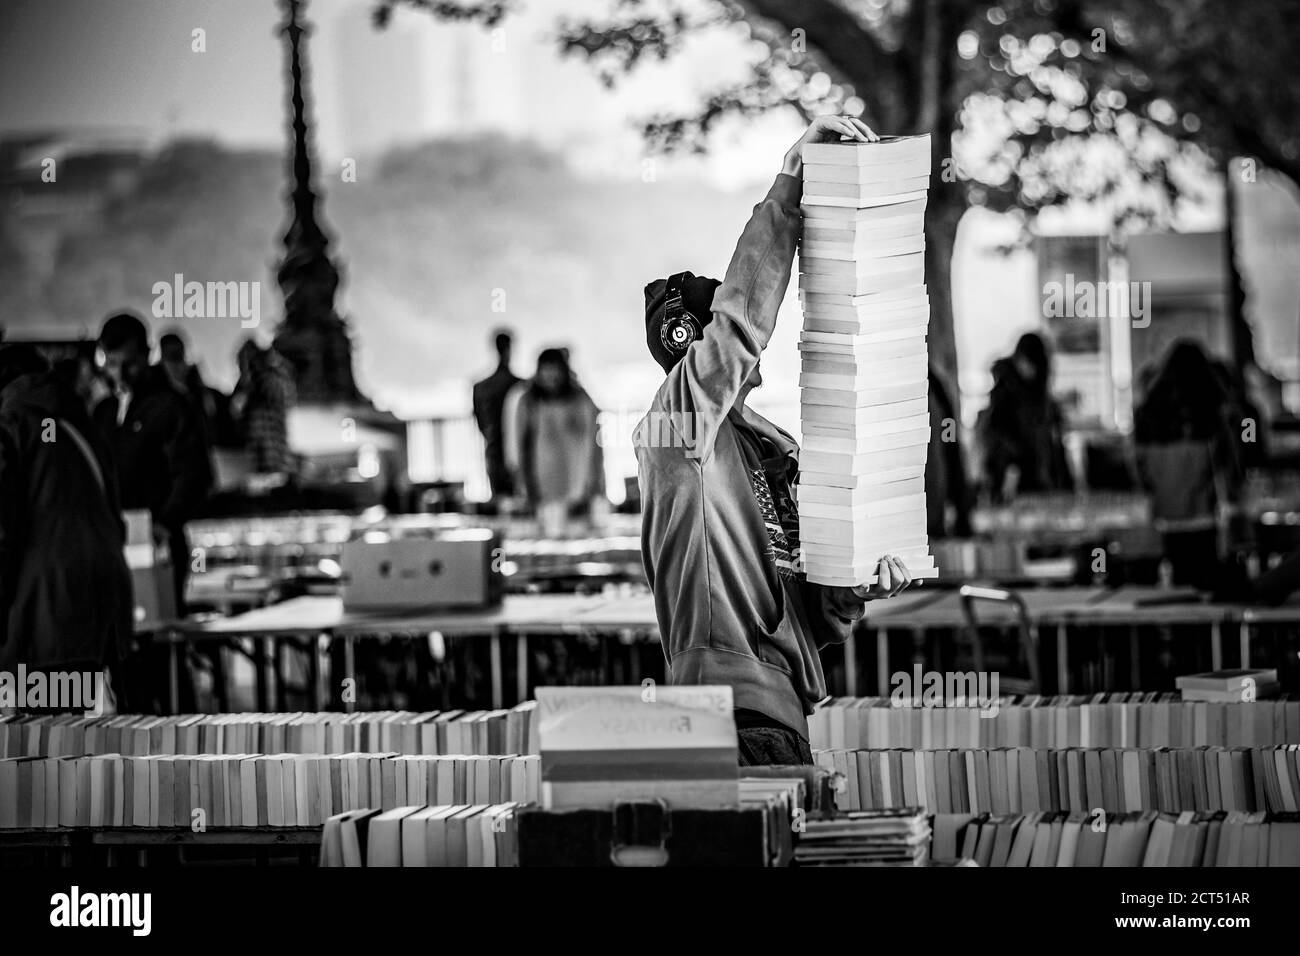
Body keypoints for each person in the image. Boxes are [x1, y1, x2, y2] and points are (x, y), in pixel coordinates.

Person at [636, 116, 915, 768]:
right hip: (728, 719)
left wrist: (856, 591)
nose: (760, 340)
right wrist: (789, 183)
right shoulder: (676, 426)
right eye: (730, 334)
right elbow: (738, 327)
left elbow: (809, 619)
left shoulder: (761, 450)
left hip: (782, 717)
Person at [0, 345, 133, 703]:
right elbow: (115, 521)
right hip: (96, 608)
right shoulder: (80, 425)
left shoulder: (11, 423)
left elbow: (2, 529)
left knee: (30, 748)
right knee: (64, 740)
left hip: (40, 614)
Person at [93, 312, 213, 612]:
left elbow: (195, 475)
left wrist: (163, 525)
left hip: (159, 549)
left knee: (158, 643)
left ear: (147, 355)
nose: (121, 373)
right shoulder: (103, 412)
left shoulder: (172, 407)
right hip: (111, 548)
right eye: (112, 363)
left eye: (129, 363)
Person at [1134, 339, 1241, 590]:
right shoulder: (1213, 414)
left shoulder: (1147, 415)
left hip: (1162, 519)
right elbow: (1231, 468)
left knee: (1172, 595)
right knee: (1206, 592)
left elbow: (1138, 472)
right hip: (1203, 518)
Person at [505, 348, 604, 533]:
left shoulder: (581, 399)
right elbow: (519, 445)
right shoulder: (528, 401)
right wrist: (523, 483)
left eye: (555, 370)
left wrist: (595, 481)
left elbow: (594, 440)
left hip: (577, 490)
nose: (551, 376)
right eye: (546, 370)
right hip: (543, 489)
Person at [977, 331, 1073, 502]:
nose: (1031, 369)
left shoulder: (1039, 394)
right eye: (1028, 362)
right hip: (1013, 477)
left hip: (1039, 478)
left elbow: (1052, 440)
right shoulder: (1004, 392)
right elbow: (996, 435)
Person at [230, 338, 295, 479]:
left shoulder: (271, 380)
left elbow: (286, 398)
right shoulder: (245, 385)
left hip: (274, 450)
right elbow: (235, 412)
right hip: (256, 451)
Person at [472, 329, 522, 499]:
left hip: (493, 451)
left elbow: (479, 422)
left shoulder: (481, 387)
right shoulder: (520, 385)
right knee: (517, 503)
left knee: (499, 501)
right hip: (516, 453)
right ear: (510, 349)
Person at [926, 366, 973, 538]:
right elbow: (951, 443)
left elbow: (951, 442)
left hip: (934, 498)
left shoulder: (937, 389)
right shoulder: (937, 388)